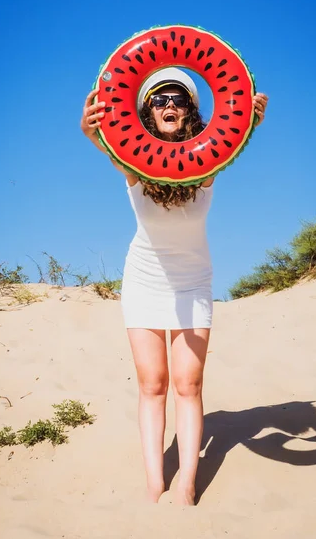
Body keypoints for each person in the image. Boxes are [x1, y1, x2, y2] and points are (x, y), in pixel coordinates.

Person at [81, 67, 269, 505]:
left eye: (179, 99)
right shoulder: (132, 165)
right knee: (153, 384)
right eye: (160, 99)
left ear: (191, 112)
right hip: (144, 279)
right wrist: (90, 131)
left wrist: (249, 124)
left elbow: (232, 140)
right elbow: (102, 143)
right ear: (146, 110)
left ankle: (186, 483)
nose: (169, 105)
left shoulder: (207, 164)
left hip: (192, 282)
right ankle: (154, 484)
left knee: (188, 384)